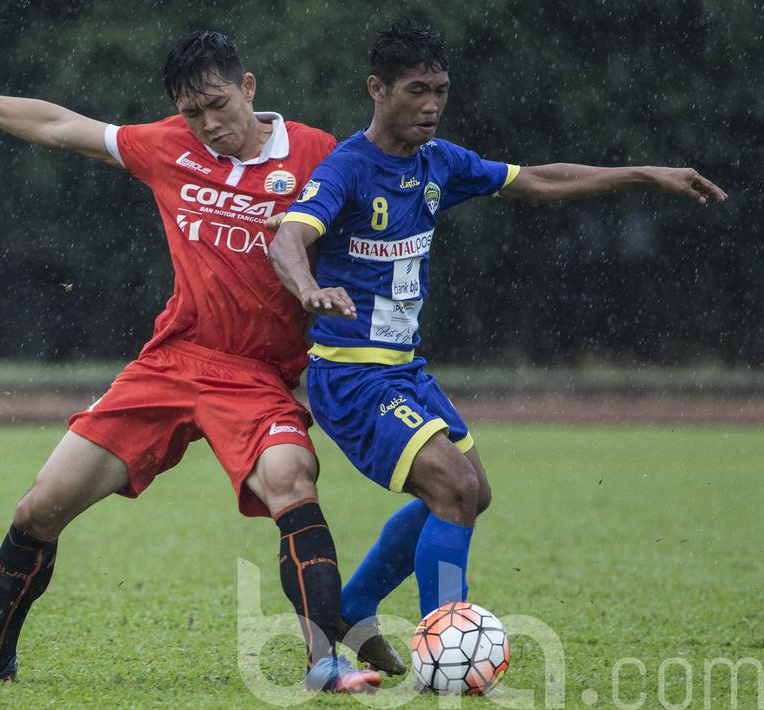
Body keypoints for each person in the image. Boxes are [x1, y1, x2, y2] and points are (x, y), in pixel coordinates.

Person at [0, 31, 383, 692]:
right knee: (40, 507)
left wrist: (325, 360)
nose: (207, 125)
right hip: (173, 362)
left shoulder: (320, 153)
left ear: (249, 88)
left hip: (260, 377)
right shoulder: (168, 147)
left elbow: (369, 244)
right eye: (191, 113)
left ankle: (325, 661)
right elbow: (57, 125)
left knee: (292, 480)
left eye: (216, 105)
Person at [269, 19, 727, 675]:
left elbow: (540, 179)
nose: (430, 104)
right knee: (451, 486)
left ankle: (351, 607)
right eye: (416, 90)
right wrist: (308, 286)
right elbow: (287, 237)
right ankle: (443, 655)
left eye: (440, 90)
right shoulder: (346, 167)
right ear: (377, 89)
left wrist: (642, 175)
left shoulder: (439, 163)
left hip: (405, 372)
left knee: (470, 492)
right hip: (350, 378)